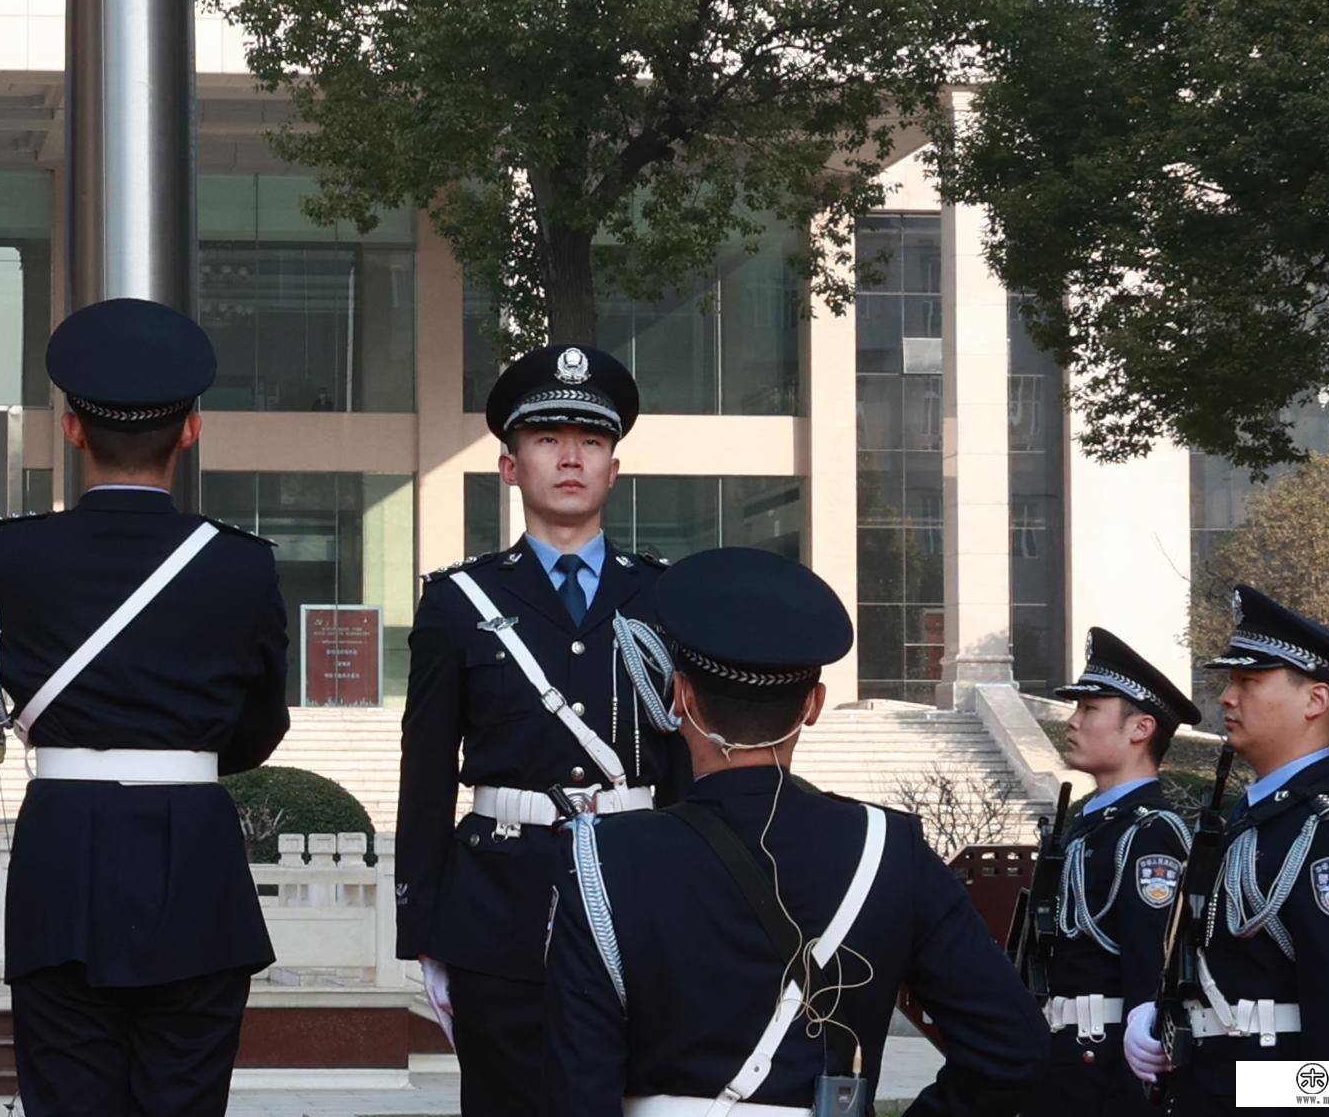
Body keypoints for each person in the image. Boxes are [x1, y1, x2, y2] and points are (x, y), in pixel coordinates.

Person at [0, 297, 291, 1117]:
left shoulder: (5, 554)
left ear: (71, 428)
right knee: (184, 1096)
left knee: (67, 1093)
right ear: (191, 429)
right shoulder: (241, 566)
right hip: (194, 844)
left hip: (65, 840)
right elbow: (262, 725)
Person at [546, 546, 1040, 1117]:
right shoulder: (890, 849)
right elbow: (1014, 1047)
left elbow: (575, 1084)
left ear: (679, 696)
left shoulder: (601, 854)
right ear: (813, 705)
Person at [396, 342, 687, 1117]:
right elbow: (423, 770)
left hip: (638, 888)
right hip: (497, 901)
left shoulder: (663, 599)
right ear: (509, 466)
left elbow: (685, 764)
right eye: (547, 440)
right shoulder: (458, 601)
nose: (569, 457)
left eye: (590, 441)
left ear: (613, 470)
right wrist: (421, 923)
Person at [1127, 586, 1329, 1112]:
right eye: (1231, 681)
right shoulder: (1258, 815)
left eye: (1249, 681)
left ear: (1315, 701)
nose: (1227, 697)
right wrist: (1156, 1017)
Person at [1031, 628, 1200, 1117]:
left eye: (1089, 710)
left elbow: (1151, 959)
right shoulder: (1094, 823)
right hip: (1067, 1059)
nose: (1073, 721)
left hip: (1105, 1065)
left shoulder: (1151, 831)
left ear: (1140, 728)